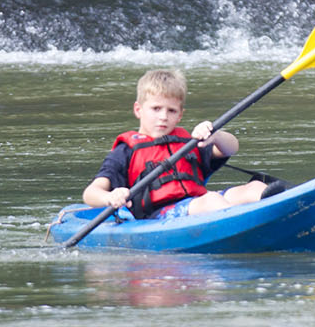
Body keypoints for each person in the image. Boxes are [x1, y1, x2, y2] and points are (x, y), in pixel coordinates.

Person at [83, 69, 272, 219]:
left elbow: (231, 147)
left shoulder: (189, 142)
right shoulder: (125, 151)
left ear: (180, 115)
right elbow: (90, 193)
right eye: (156, 108)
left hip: (198, 203)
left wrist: (215, 135)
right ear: (138, 110)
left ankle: (281, 216)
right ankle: (249, 227)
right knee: (212, 200)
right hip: (159, 216)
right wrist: (110, 197)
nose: (163, 117)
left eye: (171, 111)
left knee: (256, 188)